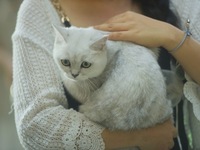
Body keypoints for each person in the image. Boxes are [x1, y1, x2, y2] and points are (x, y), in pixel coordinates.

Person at [11, 0, 200, 150]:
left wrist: (172, 36)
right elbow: (34, 124)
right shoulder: (38, 11)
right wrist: (139, 138)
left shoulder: (181, 3)